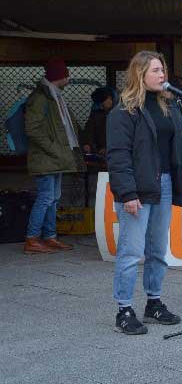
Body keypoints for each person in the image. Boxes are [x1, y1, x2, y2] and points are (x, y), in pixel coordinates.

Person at [106, 51, 182, 335]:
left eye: (162, 70)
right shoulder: (123, 111)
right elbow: (118, 157)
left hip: (164, 184)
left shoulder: (168, 106)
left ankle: (153, 302)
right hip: (138, 189)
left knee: (157, 250)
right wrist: (128, 193)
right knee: (131, 251)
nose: (161, 75)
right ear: (140, 74)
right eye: (155, 70)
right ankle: (124, 309)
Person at [23, 58, 85, 254]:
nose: (69, 78)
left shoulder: (54, 95)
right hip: (47, 156)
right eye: (67, 74)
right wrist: (54, 148)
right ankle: (32, 238)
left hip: (55, 156)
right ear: (61, 76)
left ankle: (49, 237)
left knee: (54, 197)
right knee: (46, 197)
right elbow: (32, 129)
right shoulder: (41, 98)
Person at [82, 86, 116, 157]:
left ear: (109, 98)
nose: (101, 106)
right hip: (100, 150)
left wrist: (108, 148)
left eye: (102, 104)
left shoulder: (120, 111)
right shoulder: (97, 110)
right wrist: (87, 143)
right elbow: (90, 127)